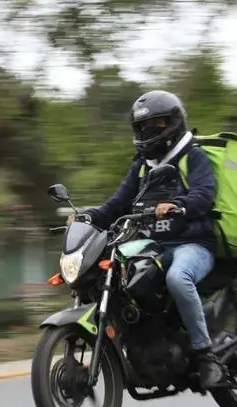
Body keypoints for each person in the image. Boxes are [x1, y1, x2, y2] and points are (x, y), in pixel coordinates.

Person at [66, 90, 224, 389]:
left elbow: (204, 194)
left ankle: (206, 355)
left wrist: (179, 205)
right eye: (143, 127)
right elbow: (117, 205)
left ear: (174, 123)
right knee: (119, 281)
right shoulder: (141, 166)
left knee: (178, 279)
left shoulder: (193, 156)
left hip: (193, 244)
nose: (149, 132)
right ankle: (141, 348)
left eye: (157, 124)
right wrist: (86, 217)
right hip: (154, 247)